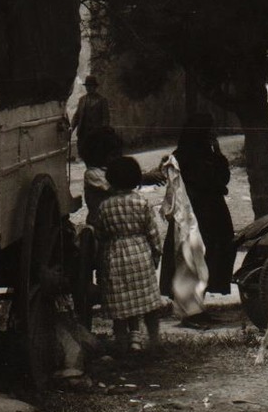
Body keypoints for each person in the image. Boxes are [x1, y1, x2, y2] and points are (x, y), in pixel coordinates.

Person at [93, 156, 166, 352]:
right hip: (140, 254)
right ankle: (154, 339)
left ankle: (122, 342)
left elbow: (99, 235)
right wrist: (156, 255)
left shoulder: (105, 206)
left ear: (110, 180)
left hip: (114, 256)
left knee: (120, 303)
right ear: (136, 180)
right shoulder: (141, 202)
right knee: (148, 301)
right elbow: (152, 233)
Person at [172, 112, 235, 298]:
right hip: (199, 213)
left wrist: (217, 153)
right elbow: (217, 181)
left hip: (208, 212)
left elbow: (222, 179)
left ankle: (199, 300)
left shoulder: (196, 155)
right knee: (199, 257)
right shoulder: (192, 158)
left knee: (208, 256)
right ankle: (193, 305)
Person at [71, 76, 111, 154]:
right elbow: (77, 116)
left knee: (95, 154)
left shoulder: (102, 100)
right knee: (84, 154)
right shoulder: (82, 100)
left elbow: (106, 118)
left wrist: (103, 132)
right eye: (87, 86)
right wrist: (71, 128)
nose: (89, 88)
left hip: (96, 134)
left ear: (95, 87)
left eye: (91, 86)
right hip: (83, 134)